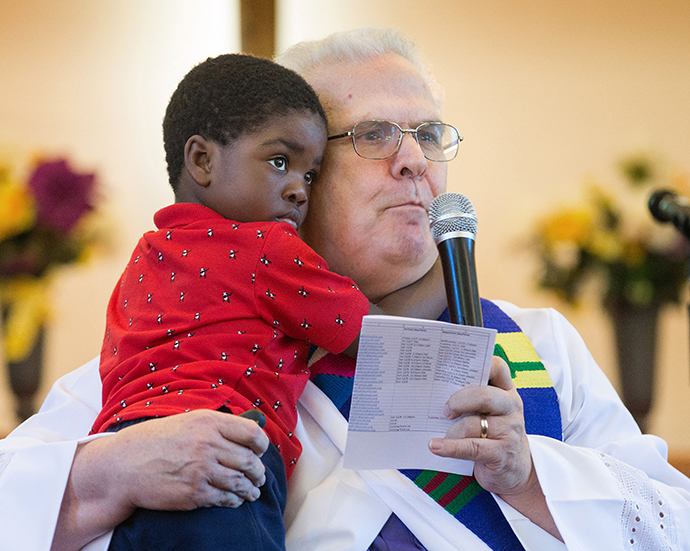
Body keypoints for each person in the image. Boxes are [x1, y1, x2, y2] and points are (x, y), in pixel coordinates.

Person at [1, 27, 689, 551]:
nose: (415, 159)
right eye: (375, 135)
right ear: (296, 176)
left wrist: (530, 473)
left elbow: (674, 522)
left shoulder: (539, 345)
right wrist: (112, 471)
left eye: (427, 134)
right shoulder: (186, 351)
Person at [91, 53, 446, 550]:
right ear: (202, 160)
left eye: (311, 173)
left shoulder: (146, 255)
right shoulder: (265, 251)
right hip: (226, 463)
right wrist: (450, 269)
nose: (299, 190)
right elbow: (381, 339)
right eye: (280, 162)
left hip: (126, 472)